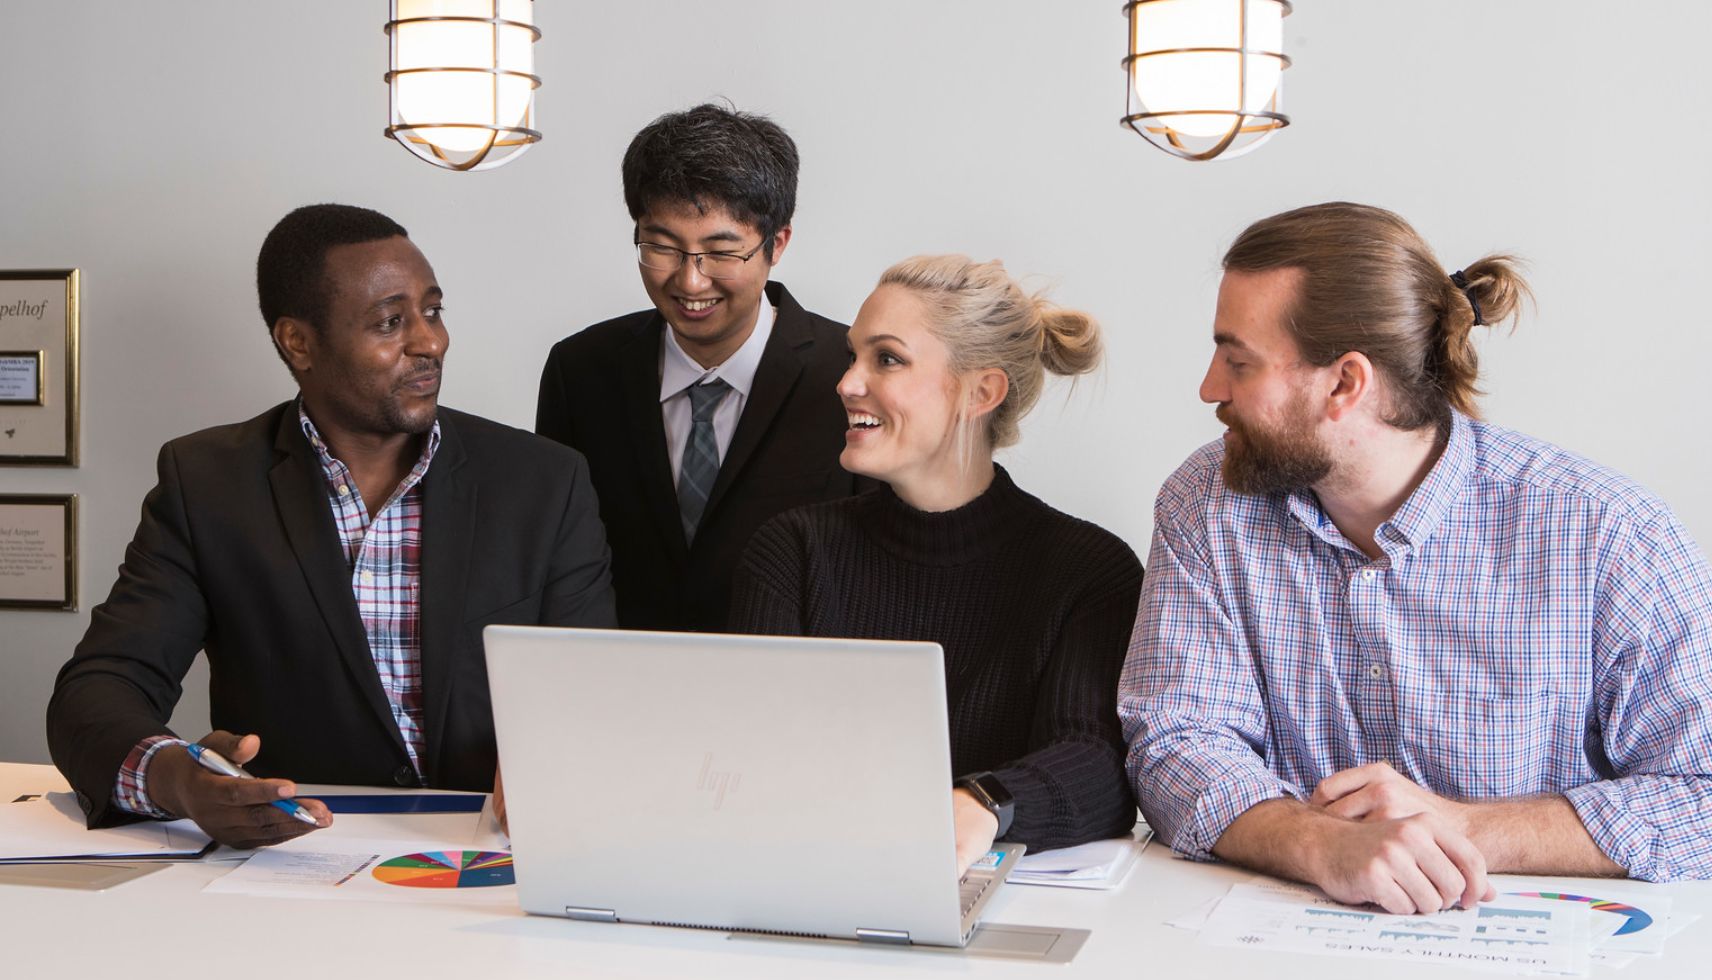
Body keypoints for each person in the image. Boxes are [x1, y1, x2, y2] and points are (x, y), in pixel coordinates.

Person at [1119, 202, 1712, 914]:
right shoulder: (1206, 504)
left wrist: (1466, 828)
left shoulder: (1603, 532)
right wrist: (1320, 845)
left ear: (1346, 383)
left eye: (1238, 361)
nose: (1210, 389)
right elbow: (1176, 742)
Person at [46, 204, 616, 847]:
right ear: (299, 342)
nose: (430, 341)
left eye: (433, 310)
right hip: (294, 864)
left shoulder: (543, 481)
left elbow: (593, 690)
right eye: (390, 321)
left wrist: (553, 756)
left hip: (498, 858)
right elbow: (99, 689)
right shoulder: (207, 483)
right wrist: (178, 780)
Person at [732, 255, 1142, 871]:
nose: (846, 383)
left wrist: (982, 804)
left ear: (982, 391)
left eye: (887, 359)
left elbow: (1096, 764)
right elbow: (745, 753)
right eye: (853, 355)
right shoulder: (790, 551)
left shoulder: (1088, 570)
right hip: (803, 886)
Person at [537, 103, 859, 632]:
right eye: (662, 247)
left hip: (794, 692)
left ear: (776, 243)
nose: (690, 282)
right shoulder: (581, 371)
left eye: (720, 252)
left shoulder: (848, 374)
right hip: (619, 689)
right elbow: (555, 559)